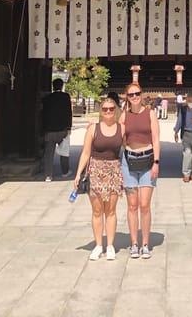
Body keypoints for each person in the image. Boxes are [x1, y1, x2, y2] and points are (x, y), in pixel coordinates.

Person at [74, 96, 124, 261]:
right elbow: (86, 153)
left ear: (115, 110)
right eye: (105, 109)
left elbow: (130, 148)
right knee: (97, 211)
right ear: (101, 111)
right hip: (95, 170)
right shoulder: (93, 129)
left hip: (113, 170)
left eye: (111, 109)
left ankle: (110, 245)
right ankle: (98, 245)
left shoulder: (121, 129)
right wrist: (78, 174)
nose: (108, 112)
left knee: (111, 210)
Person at [121, 82, 160, 259]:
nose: (135, 97)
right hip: (129, 161)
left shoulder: (150, 113)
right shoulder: (124, 115)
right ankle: (134, 243)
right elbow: (118, 136)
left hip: (147, 159)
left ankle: (145, 243)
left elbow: (156, 139)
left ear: (142, 95)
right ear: (127, 98)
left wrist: (156, 163)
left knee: (144, 205)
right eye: (131, 95)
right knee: (132, 205)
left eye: (137, 93)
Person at [41, 77, 72, 182]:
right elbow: (69, 112)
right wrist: (69, 127)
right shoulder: (65, 97)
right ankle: (65, 172)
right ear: (62, 86)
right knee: (64, 151)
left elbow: (43, 113)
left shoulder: (47, 98)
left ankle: (48, 175)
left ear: (53, 86)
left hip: (49, 129)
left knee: (48, 153)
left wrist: (43, 127)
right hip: (62, 128)